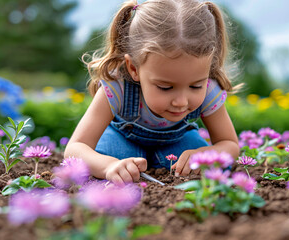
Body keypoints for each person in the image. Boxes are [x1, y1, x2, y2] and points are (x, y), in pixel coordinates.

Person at [65, 0, 240, 185]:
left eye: (196, 86)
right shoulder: (118, 86)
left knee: (209, 160)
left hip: (177, 144)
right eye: (165, 87)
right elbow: (75, 148)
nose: (181, 102)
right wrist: (108, 166)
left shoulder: (209, 89)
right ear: (133, 68)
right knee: (107, 156)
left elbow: (229, 144)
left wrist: (202, 155)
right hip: (122, 141)